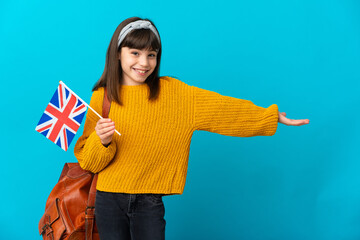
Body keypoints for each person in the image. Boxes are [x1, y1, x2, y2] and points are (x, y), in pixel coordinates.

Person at [74, 16, 309, 240]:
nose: (144, 63)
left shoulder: (175, 94)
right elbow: (89, 162)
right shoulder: (102, 98)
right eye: (135, 53)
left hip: (149, 201)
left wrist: (268, 116)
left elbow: (222, 109)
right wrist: (102, 141)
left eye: (151, 55)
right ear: (117, 53)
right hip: (108, 200)